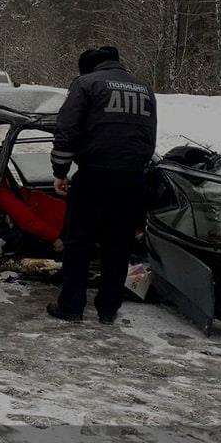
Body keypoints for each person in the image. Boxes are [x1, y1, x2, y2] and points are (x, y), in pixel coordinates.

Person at [47, 46, 157, 324]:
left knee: (79, 241)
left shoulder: (86, 84)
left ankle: (71, 307)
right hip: (132, 178)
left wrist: (60, 171)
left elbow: (67, 130)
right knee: (118, 245)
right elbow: (148, 136)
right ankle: (108, 309)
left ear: (88, 66)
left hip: (95, 175)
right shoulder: (144, 89)